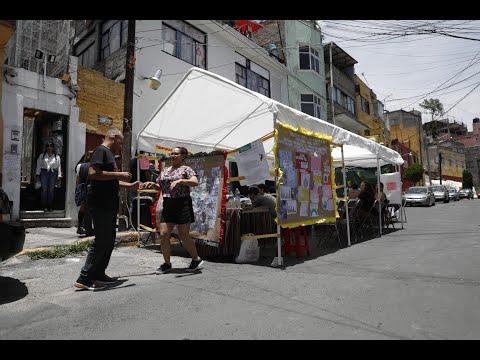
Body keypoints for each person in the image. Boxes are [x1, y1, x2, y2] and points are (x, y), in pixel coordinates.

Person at [74, 128, 140, 291]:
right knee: (101, 240)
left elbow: (110, 181)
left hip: (109, 204)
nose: (120, 147)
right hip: (100, 204)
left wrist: (129, 185)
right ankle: (85, 278)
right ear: (115, 138)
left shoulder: (108, 154)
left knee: (109, 240)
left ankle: (98, 274)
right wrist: (119, 175)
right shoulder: (101, 151)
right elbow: (93, 173)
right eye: (121, 143)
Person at [143, 146, 204, 274]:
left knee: (183, 235)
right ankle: (167, 263)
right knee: (164, 234)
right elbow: (160, 187)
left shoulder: (186, 169)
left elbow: (195, 182)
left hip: (182, 203)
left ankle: (196, 259)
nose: (172, 156)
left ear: (183, 156)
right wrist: (153, 185)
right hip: (168, 203)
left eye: (176, 154)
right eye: (171, 154)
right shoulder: (165, 170)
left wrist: (181, 181)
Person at [35, 141, 62, 211]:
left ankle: (50, 206)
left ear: (53, 148)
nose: (49, 147)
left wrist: (59, 175)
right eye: (48, 146)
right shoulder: (42, 156)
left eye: (51, 146)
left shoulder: (57, 157)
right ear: (46, 147)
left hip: (53, 174)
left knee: (51, 190)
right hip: (44, 173)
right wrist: (37, 174)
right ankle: (44, 206)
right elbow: (38, 165)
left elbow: (59, 166)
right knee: (44, 190)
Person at [76, 150, 94, 236]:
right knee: (89, 210)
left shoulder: (80, 166)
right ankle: (88, 228)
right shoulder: (94, 167)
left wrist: (78, 190)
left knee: (83, 208)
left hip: (82, 189)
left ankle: (80, 226)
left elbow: (78, 180)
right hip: (91, 189)